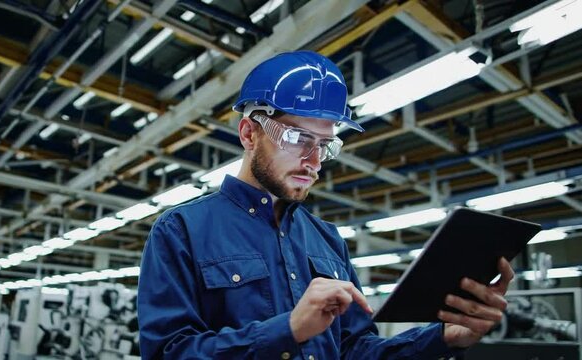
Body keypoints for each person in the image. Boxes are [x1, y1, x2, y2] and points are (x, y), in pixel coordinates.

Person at [138, 50, 513, 359]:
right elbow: (168, 353)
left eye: (325, 145)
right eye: (299, 138)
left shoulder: (327, 240)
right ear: (249, 132)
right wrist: (286, 331)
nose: (314, 161)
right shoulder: (181, 230)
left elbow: (354, 348)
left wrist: (443, 337)